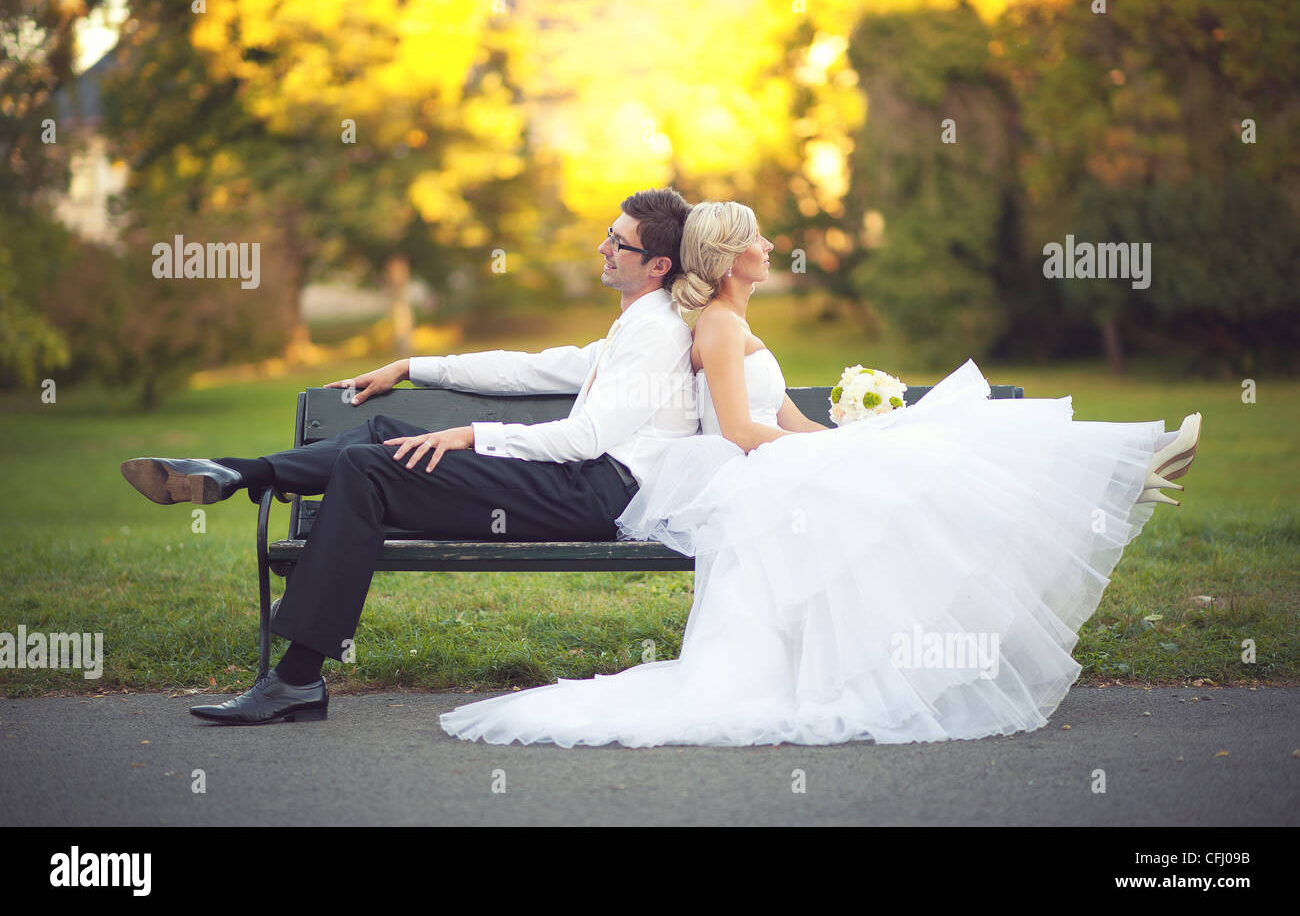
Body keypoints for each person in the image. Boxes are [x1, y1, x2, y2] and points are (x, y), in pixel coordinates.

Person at [438, 200, 1203, 747]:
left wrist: (846, 433)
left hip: (763, 462)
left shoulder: (732, 322)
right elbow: (737, 429)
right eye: (759, 241)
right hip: (737, 474)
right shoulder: (716, 324)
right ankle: (1110, 477)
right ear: (734, 257)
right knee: (922, 463)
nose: (770, 249)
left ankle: (1113, 475)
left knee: (922, 443)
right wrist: (825, 453)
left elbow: (788, 421)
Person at [120, 188, 700, 725]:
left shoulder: (656, 333)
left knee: (368, 469)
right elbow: (527, 368)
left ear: (658, 266)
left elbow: (586, 438)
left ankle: (296, 678)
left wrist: (471, 434)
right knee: (380, 433)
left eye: (618, 243)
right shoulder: (635, 326)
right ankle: (241, 472)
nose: (603, 247)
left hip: (596, 495)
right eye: (608, 232)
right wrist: (412, 366)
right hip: (577, 484)